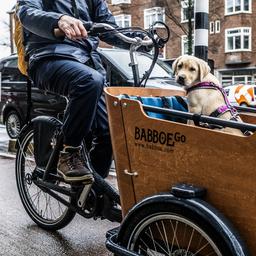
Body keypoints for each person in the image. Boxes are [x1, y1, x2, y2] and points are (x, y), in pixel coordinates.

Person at [16, 0, 149, 182]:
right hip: (48, 56)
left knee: (110, 131)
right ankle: (69, 153)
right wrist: (59, 19)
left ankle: (92, 194)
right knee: (88, 80)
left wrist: (142, 40)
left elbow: (109, 29)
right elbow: (26, 12)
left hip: (88, 62)